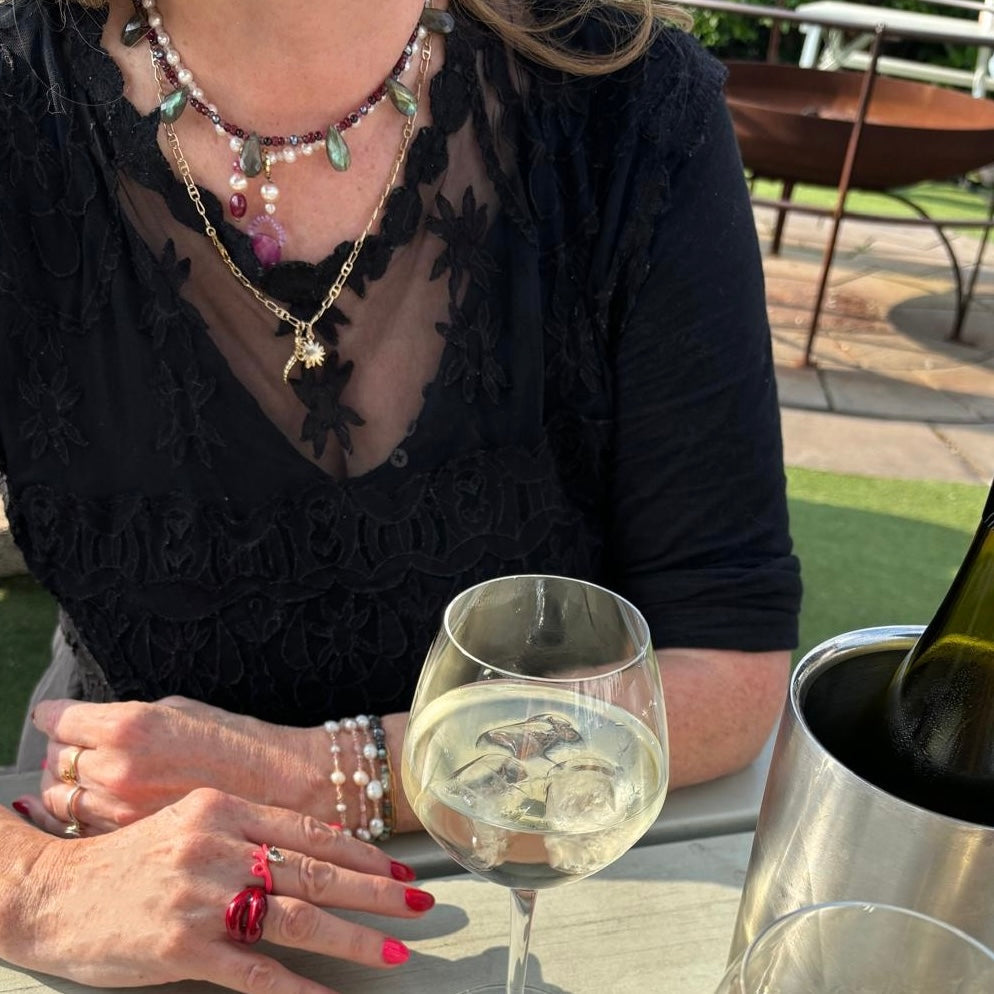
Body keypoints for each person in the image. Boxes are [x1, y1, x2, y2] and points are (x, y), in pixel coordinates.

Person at [0, 0, 803, 987]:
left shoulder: (628, 99)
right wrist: (34, 886)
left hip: (536, 874)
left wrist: (327, 774)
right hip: (121, 864)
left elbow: (725, 663)